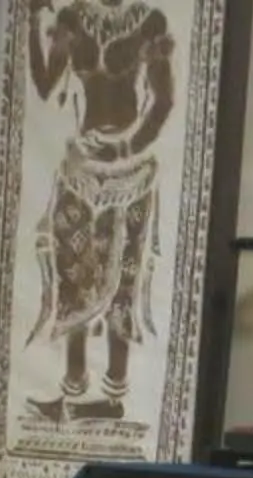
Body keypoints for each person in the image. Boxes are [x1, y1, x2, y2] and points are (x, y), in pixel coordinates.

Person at [25, 0, 178, 425]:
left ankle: (113, 392)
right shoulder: (73, 17)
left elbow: (162, 101)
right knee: (73, 273)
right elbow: (44, 84)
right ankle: (72, 389)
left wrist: (125, 145)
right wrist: (34, 22)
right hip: (82, 166)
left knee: (121, 279)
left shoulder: (149, 21)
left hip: (128, 171)